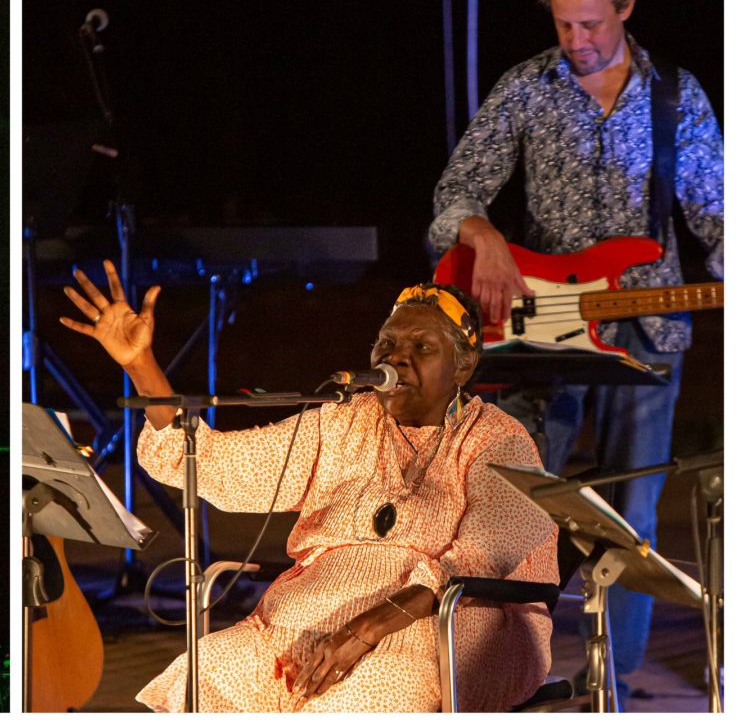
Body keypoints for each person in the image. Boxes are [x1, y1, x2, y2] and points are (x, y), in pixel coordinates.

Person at [427, 0, 723, 693]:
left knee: (632, 515)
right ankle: (503, 671)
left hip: (647, 327)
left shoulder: (676, 95)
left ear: (626, 7)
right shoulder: (526, 86)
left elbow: (715, 215)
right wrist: (482, 232)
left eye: (591, 24)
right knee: (523, 504)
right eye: (564, 24)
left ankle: (610, 685)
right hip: (541, 328)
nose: (576, 41)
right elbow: (453, 194)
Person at [60, 261, 558, 712]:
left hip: (435, 633)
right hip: (298, 629)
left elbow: (482, 557)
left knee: (354, 700)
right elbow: (215, 464)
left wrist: (365, 629)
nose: (398, 359)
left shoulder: (498, 438)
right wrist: (139, 365)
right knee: (200, 677)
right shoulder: (345, 420)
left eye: (422, 349)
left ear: (464, 366)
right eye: (387, 345)